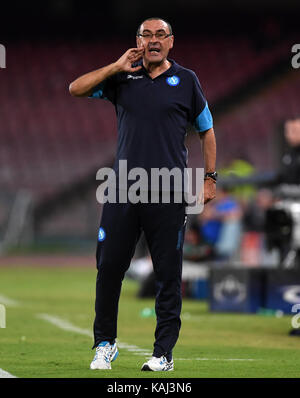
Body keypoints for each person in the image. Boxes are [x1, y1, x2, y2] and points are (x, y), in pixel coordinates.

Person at [69, 17, 217, 371]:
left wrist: (210, 179)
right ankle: (105, 344)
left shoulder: (187, 81)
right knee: (108, 268)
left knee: (168, 274)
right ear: (137, 41)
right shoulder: (122, 78)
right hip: (123, 189)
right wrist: (116, 65)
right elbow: (75, 88)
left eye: (160, 35)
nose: (153, 40)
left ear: (171, 42)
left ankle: (162, 353)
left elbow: (207, 131)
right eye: (146, 35)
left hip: (168, 191)